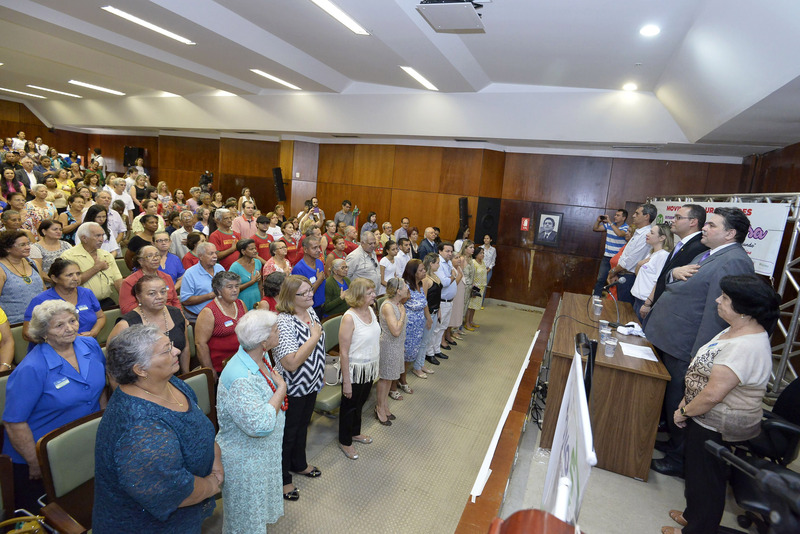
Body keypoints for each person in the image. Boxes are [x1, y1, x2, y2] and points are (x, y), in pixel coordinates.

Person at [661, 275, 779, 534]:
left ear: (744, 310)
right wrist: (687, 399)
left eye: (725, 298)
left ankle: (698, 530)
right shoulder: (735, 328)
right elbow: (705, 374)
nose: (717, 300)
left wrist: (684, 412)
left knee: (706, 479)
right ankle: (693, 515)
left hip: (720, 422)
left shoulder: (745, 346)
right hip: (706, 414)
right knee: (696, 472)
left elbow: (713, 394)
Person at [646, 207, 756, 478]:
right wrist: (674, 272)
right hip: (672, 339)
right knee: (671, 398)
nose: (704, 228)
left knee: (681, 400)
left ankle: (680, 459)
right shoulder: (707, 253)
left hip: (687, 346)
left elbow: (717, 313)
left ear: (730, 233)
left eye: (713, 225)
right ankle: (673, 444)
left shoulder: (733, 261)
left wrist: (700, 356)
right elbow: (678, 282)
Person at [94, 325, 222, 532]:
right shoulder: (139, 430)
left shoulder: (171, 383)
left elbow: (198, 424)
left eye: (171, 345)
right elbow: (176, 493)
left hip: (188, 511)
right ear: (140, 369)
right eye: (166, 350)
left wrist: (215, 459)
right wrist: (212, 484)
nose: (177, 351)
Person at [3, 300, 106, 512]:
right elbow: (14, 423)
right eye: (59, 325)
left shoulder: (89, 345)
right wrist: (36, 462)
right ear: (44, 333)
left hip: (82, 444)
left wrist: (103, 425)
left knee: (85, 504)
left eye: (72, 321)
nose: (70, 328)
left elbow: (100, 390)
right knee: (51, 513)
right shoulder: (31, 368)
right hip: (42, 455)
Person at [216, 309, 288, 534]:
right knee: (245, 521)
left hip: (262, 455)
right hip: (246, 462)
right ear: (263, 341)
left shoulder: (259, 355)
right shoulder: (240, 378)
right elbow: (260, 425)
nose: (279, 332)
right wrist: (281, 389)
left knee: (257, 514)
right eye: (275, 330)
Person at [272, 275, 325, 501]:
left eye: (310, 289)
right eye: (304, 293)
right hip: (292, 388)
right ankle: (283, 478)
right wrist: (314, 337)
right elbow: (291, 363)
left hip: (311, 383)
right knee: (288, 434)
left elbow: (317, 348)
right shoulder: (283, 322)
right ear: (290, 297)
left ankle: (299, 463)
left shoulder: (310, 311)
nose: (311, 294)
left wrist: (320, 372)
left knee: (303, 426)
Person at [109, 274, 191, 375]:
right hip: (143, 380)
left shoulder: (176, 313)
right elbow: (114, 364)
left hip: (176, 374)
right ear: (138, 297)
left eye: (163, 292)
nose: (159, 297)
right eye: (152, 293)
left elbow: (185, 347)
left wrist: (186, 375)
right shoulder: (126, 324)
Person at [337, 278, 380, 459]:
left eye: (373, 292)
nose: (374, 295)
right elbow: (343, 352)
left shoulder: (370, 310)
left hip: (368, 367)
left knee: (360, 402)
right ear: (359, 295)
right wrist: (347, 382)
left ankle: (355, 432)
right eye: (370, 293)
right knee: (349, 406)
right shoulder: (349, 318)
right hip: (354, 369)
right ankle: (345, 441)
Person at [644, 204, 709, 313]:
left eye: (678, 217)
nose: (672, 220)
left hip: (672, 309)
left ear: (693, 222)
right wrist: (649, 301)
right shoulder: (683, 244)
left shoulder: (699, 247)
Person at [23, 258, 105, 342]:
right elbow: (27, 333)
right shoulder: (41, 300)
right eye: (69, 275)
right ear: (55, 278)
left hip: (88, 343)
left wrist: (93, 332)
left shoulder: (87, 293)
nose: (76, 278)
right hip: (55, 347)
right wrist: (59, 341)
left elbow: (101, 317)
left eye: (78, 274)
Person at [195, 271, 246, 377]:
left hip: (242, 362)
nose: (235, 290)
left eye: (237, 286)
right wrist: (210, 371)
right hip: (220, 368)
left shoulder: (240, 304)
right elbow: (200, 344)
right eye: (230, 287)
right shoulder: (209, 312)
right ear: (219, 290)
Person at [61, 222, 123, 308]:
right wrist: (96, 268)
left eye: (102, 235)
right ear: (84, 238)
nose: (101, 239)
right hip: (81, 304)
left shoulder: (106, 255)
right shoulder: (69, 256)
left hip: (106, 302)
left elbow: (118, 281)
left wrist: (125, 301)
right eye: (97, 236)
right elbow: (71, 282)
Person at [607, 203, 657, 304]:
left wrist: (613, 271)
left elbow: (630, 261)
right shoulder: (638, 232)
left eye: (637, 213)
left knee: (625, 309)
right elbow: (625, 255)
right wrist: (616, 272)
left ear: (646, 216)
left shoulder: (645, 235)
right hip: (623, 274)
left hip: (630, 277)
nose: (633, 216)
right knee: (619, 307)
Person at [378, 277, 409, 422]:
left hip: (397, 345)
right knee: (385, 378)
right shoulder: (388, 306)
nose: (407, 288)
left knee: (390, 378)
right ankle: (379, 407)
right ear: (398, 291)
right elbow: (395, 331)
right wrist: (402, 315)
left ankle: (385, 405)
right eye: (405, 286)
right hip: (388, 346)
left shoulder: (398, 304)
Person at [631, 223, 674, 322]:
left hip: (645, 301)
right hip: (638, 299)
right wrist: (638, 265)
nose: (647, 234)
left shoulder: (663, 256)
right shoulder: (652, 253)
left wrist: (647, 304)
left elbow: (659, 282)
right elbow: (638, 275)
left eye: (652, 233)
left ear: (662, 238)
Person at [0, 230, 46, 323]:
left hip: (40, 320)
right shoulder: (1, 269)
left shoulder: (33, 264)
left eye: (28, 244)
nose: (28, 247)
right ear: (7, 248)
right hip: (14, 323)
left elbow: (43, 290)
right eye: (22, 245)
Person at [120, 245, 181, 314]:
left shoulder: (167, 277)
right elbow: (127, 309)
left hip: (170, 314)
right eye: (149, 256)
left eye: (157, 255)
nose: (155, 258)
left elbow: (175, 301)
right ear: (140, 261)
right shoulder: (130, 282)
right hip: (145, 317)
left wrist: (180, 315)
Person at [403, 259, 434, 379]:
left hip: (418, 326)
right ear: (413, 272)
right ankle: (401, 380)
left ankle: (403, 379)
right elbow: (398, 305)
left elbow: (424, 302)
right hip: (408, 327)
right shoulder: (405, 287)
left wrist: (428, 318)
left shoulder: (420, 284)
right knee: (405, 354)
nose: (424, 271)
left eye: (424, 269)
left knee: (412, 353)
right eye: (421, 270)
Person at [180, 242, 224, 322]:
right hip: (196, 317)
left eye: (215, 253)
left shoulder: (220, 268)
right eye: (211, 253)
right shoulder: (190, 273)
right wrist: (210, 295)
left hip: (219, 314)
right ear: (200, 256)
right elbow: (185, 301)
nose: (215, 256)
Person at [592, 209, 630, 295]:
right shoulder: (610, 225)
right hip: (606, 257)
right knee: (600, 279)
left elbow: (619, 234)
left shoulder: (626, 228)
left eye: (618, 215)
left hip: (618, 260)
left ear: (624, 218)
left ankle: (612, 300)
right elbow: (595, 228)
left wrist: (610, 222)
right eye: (615, 215)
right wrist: (598, 221)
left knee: (614, 281)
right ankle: (596, 297)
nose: (615, 217)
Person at [291, 236, 325, 312]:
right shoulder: (298, 269)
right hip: (309, 309)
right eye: (314, 248)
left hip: (323, 306)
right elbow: (303, 295)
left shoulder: (319, 263)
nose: (319, 250)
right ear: (305, 250)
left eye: (319, 247)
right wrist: (318, 281)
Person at [229, 239, 263, 310]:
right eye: (251, 249)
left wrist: (262, 300)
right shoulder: (235, 267)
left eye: (255, 248)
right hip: (243, 299)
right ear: (243, 251)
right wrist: (251, 282)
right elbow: (231, 288)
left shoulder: (258, 262)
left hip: (257, 298)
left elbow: (260, 284)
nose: (255, 251)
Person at [467, 246, 488, 329]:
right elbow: (471, 276)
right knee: (470, 306)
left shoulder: (483, 262)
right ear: (476, 254)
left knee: (475, 306)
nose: (482, 254)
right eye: (480, 253)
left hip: (482, 286)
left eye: (483, 253)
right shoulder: (473, 262)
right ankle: (467, 323)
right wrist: (473, 288)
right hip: (475, 286)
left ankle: (471, 321)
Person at [480, 234, 496, 308]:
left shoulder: (493, 249)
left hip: (488, 270)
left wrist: (488, 269)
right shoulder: (480, 248)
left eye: (487, 238)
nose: (486, 240)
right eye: (484, 238)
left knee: (484, 286)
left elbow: (493, 261)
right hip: (480, 269)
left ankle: (481, 303)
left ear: (491, 240)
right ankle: (475, 301)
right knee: (477, 285)